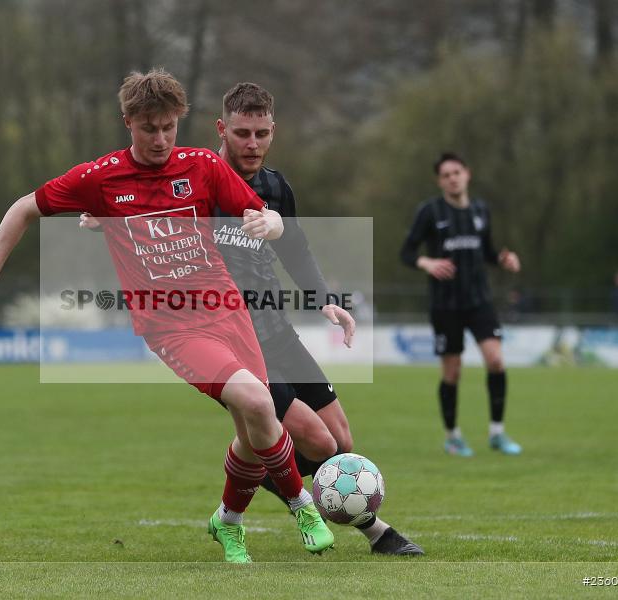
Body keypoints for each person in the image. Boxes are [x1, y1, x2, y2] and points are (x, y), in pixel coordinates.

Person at [0, 69, 334, 563]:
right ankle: (302, 505)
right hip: (171, 326)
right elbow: (22, 209)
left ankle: (227, 522)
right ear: (128, 123)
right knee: (257, 402)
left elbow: (257, 213)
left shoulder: (202, 165)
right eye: (149, 129)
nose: (160, 140)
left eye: (168, 127)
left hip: (227, 312)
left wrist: (267, 222)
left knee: (252, 426)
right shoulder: (100, 179)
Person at [83, 82, 422, 555]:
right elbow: (139, 201)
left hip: (277, 329)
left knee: (340, 437)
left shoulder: (276, 188)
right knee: (319, 442)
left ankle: (231, 512)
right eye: (242, 133)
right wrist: (105, 216)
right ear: (221, 128)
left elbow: (295, 247)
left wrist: (323, 298)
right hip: (229, 336)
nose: (253, 144)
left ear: (273, 131)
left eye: (262, 133)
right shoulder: (198, 177)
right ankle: (376, 532)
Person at [400, 152, 522, 457]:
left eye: (457, 172)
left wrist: (502, 259)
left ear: (467, 174)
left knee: (495, 360)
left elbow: (487, 250)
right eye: (446, 174)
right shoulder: (430, 212)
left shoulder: (481, 210)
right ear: (439, 181)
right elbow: (406, 251)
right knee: (452, 372)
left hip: (480, 300)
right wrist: (427, 262)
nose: (453, 178)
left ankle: (497, 432)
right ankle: (453, 436)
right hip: (446, 305)